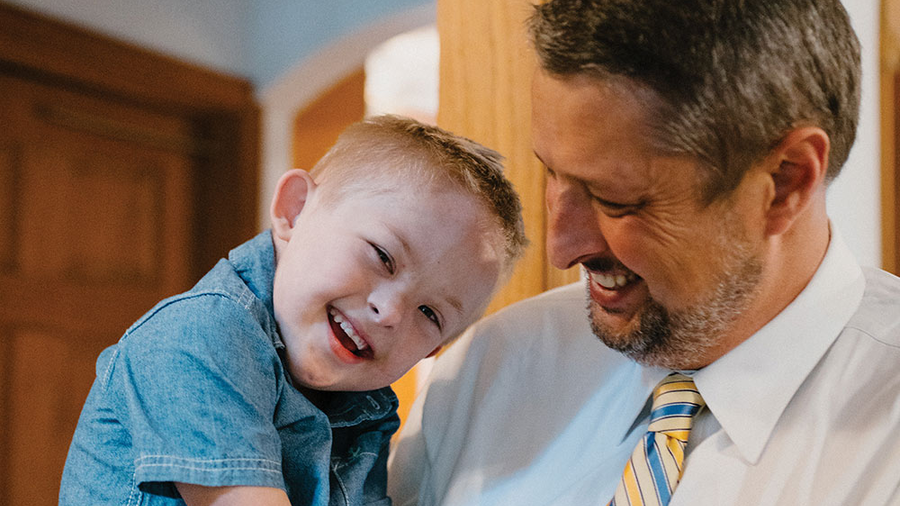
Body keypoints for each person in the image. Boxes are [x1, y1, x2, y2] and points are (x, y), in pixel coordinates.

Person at [387, 1, 900, 505]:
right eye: (552, 174)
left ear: (785, 182)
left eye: (615, 200)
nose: (561, 249)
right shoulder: (493, 371)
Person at [59, 115, 527, 506]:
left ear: (434, 351)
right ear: (295, 210)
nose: (389, 312)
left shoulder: (368, 410)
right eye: (383, 256)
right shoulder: (198, 337)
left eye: (429, 313)